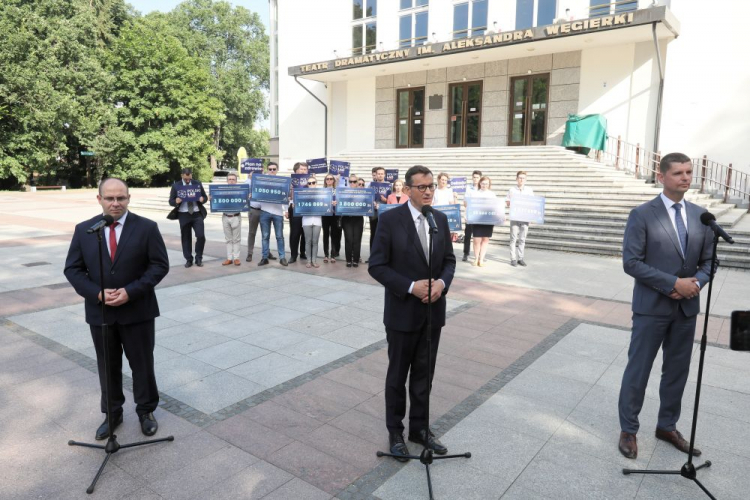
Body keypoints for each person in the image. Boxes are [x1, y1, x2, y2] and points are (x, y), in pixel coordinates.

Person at [617, 152, 713, 460]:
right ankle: (629, 430)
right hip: (651, 308)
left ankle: (667, 426)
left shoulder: (702, 216)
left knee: (677, 371)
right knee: (639, 370)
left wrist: (694, 283)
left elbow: (709, 262)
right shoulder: (643, 214)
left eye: (688, 172)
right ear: (662, 177)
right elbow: (631, 262)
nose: (685, 177)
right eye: (678, 173)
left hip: (686, 309)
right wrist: (673, 283)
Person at [64, 178, 169, 440]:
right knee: (107, 365)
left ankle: (146, 411)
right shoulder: (85, 229)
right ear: (98, 199)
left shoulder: (146, 228)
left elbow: (159, 265)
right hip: (101, 313)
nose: (115, 203)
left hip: (138, 311)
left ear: (129, 198)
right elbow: (73, 269)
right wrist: (96, 293)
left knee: (142, 364)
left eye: (120, 198)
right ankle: (113, 414)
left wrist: (131, 291)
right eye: (109, 198)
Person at [369, 165, 456, 461]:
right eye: (422, 187)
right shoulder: (390, 220)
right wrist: (409, 286)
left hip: (433, 314)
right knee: (397, 376)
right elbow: (377, 266)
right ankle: (395, 431)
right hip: (402, 313)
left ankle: (420, 429)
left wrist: (441, 284)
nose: (429, 191)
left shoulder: (440, 220)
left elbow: (449, 260)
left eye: (431, 186)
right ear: (407, 190)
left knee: (424, 375)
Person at [168, 167, 207, 268]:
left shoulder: (197, 184)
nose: (188, 180)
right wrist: (175, 201)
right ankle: (189, 259)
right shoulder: (176, 186)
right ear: (182, 175)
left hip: (196, 214)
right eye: (186, 178)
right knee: (186, 237)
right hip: (183, 214)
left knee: (201, 236)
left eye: (189, 177)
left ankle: (199, 258)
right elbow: (171, 201)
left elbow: (205, 197)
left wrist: (203, 199)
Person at [245, 163, 277, 262]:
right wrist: (250, 178)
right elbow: (245, 187)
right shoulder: (250, 180)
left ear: (263, 169)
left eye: (260, 169)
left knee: (265, 234)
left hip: (265, 210)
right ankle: (250, 253)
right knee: (252, 232)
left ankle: (266, 252)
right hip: (254, 210)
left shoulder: (266, 178)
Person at [258, 164, 289, 267]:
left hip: (278, 213)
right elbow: (256, 193)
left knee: (279, 236)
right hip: (264, 211)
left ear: (277, 170)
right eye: (270, 169)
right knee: (265, 236)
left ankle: (282, 257)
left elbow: (285, 197)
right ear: (267, 170)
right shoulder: (261, 181)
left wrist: (286, 210)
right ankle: (264, 257)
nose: (272, 171)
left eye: (274, 169)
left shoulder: (282, 182)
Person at [505, 170, 534, 267]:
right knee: (513, 238)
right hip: (515, 217)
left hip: (525, 217)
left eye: (523, 178)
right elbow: (507, 202)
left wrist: (531, 216)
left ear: (525, 179)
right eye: (520, 178)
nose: (521, 180)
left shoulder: (529, 190)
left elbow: (532, 204)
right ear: (516, 179)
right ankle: (513, 258)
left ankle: (520, 258)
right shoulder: (512, 190)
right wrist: (512, 202)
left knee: (522, 238)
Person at [470, 176, 497, 267]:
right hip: (477, 219)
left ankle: (481, 259)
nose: (484, 185)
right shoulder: (475, 194)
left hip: (488, 219)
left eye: (486, 184)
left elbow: (496, 207)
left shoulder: (492, 194)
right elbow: (470, 206)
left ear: (489, 185)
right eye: (483, 183)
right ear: (479, 183)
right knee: (476, 240)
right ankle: (476, 258)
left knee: (485, 239)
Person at [341, 174, 364, 268]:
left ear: (357, 182)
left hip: (358, 218)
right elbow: (340, 202)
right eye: (350, 181)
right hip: (347, 218)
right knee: (349, 239)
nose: (352, 183)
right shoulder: (343, 192)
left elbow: (366, 203)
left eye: (354, 181)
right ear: (348, 182)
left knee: (357, 239)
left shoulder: (363, 193)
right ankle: (348, 260)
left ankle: (356, 260)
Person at [367, 167, 390, 261]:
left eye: (382, 173)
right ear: (375, 175)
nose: (380, 175)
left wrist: (386, 200)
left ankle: (383, 255)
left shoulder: (389, 186)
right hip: (374, 213)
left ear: (384, 175)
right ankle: (372, 255)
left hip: (385, 212)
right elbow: (367, 196)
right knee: (373, 233)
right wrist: (372, 202)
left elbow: (392, 199)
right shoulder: (371, 185)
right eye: (378, 173)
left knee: (384, 234)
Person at [220, 172, 242, 266]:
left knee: (236, 239)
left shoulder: (241, 191)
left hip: (236, 216)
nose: (231, 181)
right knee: (228, 239)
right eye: (230, 179)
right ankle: (229, 258)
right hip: (225, 216)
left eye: (233, 179)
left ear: (236, 181)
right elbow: (218, 200)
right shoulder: (222, 191)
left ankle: (236, 258)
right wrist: (212, 198)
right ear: (227, 181)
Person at [288, 162, 308, 264]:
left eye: (305, 169)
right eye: (301, 169)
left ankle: (303, 252)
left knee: (305, 232)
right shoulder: (291, 181)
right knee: (295, 233)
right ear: (296, 171)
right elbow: (286, 196)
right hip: (295, 207)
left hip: (307, 208)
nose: (304, 171)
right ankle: (293, 255)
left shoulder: (310, 180)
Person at [302, 176, 323, 268]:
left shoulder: (321, 193)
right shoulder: (302, 194)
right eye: (309, 183)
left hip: (317, 220)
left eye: (313, 182)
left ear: (316, 183)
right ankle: (308, 260)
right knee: (308, 241)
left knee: (315, 241)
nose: (311, 184)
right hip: (306, 220)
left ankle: (314, 260)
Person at [462, 170, 482, 262]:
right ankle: (466, 253)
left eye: (477, 177)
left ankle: (478, 254)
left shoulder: (483, 188)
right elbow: (465, 202)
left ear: (480, 178)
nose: (475, 179)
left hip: (480, 216)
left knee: (479, 235)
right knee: (467, 235)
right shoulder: (468, 188)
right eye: (474, 177)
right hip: (470, 214)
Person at [322, 173, 341, 263]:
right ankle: (326, 255)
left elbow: (341, 202)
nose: (329, 180)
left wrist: (336, 203)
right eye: (327, 179)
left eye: (331, 179)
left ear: (333, 180)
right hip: (325, 215)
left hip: (334, 214)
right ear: (325, 181)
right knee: (325, 234)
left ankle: (333, 255)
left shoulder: (337, 190)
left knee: (334, 235)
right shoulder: (322, 190)